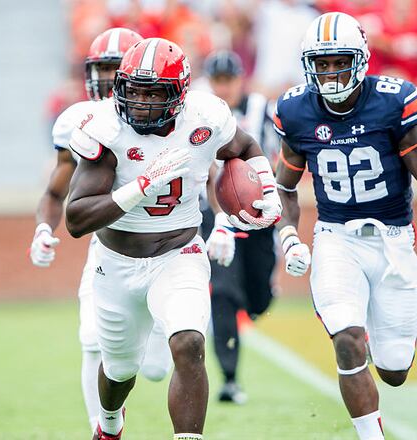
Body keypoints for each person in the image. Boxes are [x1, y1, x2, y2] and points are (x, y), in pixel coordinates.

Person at [272, 12, 417, 440]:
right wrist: (289, 235)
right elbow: (284, 185)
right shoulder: (296, 111)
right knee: (348, 338)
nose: (330, 73)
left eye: (339, 61)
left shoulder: (391, 102)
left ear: (362, 59)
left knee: (395, 370)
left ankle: (374, 335)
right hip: (336, 241)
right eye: (321, 63)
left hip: (393, 242)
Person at [64, 38, 281, 440]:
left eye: (154, 92)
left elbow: (245, 147)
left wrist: (266, 188)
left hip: (179, 252)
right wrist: (139, 188)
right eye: (135, 90)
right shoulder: (107, 128)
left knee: (188, 342)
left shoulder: (206, 115)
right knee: (118, 370)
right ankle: (109, 425)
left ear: (180, 93)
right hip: (117, 262)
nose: (142, 102)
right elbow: (76, 219)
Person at [28, 28, 173, 433]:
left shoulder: (174, 117)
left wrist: (222, 228)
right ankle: (104, 427)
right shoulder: (81, 121)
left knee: (159, 370)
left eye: (115, 68)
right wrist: (42, 227)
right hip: (110, 247)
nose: (108, 79)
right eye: (102, 69)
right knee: (91, 339)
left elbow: (205, 176)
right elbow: (57, 189)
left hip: (167, 248)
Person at [200, 49, 280, 404]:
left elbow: (277, 153)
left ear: (239, 80)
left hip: (258, 213)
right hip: (215, 215)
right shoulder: (199, 110)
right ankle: (230, 378)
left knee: (258, 298)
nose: (223, 87)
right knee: (223, 292)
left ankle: (257, 298)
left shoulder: (262, 108)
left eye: (227, 79)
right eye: (217, 80)